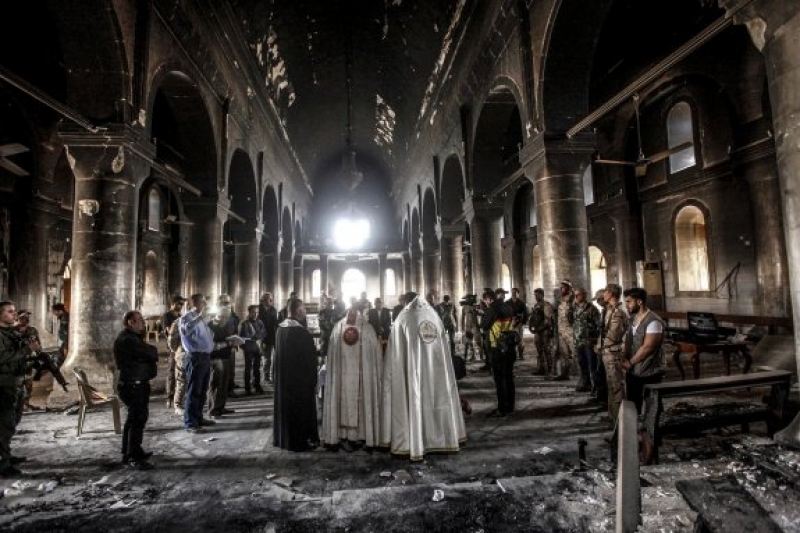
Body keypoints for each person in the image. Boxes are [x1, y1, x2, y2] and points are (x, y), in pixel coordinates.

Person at [380, 293, 466, 461]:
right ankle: (443, 438)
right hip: (436, 372)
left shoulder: (403, 319)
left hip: (413, 374)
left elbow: (395, 356)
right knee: (438, 398)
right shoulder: (434, 317)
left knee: (414, 399)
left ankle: (414, 441)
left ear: (406, 301)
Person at [322, 307, 383, 451]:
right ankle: (363, 434)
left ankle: (344, 435)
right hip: (361, 377)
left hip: (346, 376)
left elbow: (330, 356)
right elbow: (377, 358)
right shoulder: (367, 329)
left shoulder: (338, 328)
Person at [113, 310, 159, 470]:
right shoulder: (127, 340)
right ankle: (132, 456)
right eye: (139, 320)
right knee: (136, 420)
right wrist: (151, 354)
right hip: (133, 385)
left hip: (137, 383)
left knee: (136, 419)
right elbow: (149, 352)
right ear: (130, 322)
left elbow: (148, 351)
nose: (143, 323)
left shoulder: (133, 337)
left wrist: (149, 353)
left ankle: (132, 451)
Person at [273, 298, 319, 452]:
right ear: (299, 311)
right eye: (304, 309)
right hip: (299, 382)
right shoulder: (301, 333)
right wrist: (313, 379)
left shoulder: (280, 330)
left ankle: (282, 439)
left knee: (286, 409)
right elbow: (310, 360)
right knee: (299, 410)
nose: (305, 312)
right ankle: (299, 441)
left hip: (284, 380)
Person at [0, 301, 39, 477]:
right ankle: (3, 464)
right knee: (4, 424)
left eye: (14, 311)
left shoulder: (11, 333)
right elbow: (4, 358)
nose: (14, 315)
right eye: (10, 312)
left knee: (12, 422)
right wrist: (26, 350)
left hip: (15, 384)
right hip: (3, 385)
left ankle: (6, 454)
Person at [621, 287, 665, 412]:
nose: (626, 305)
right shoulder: (633, 319)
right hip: (634, 369)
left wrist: (630, 363)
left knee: (653, 404)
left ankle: (653, 430)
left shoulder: (653, 321)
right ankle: (634, 429)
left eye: (629, 301)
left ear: (639, 302)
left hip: (650, 370)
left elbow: (648, 348)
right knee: (633, 402)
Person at [179, 294, 218, 433]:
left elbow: (205, 335)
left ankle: (198, 417)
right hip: (195, 358)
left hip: (205, 357)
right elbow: (186, 330)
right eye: (203, 301)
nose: (205, 304)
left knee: (202, 391)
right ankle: (190, 423)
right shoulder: (186, 318)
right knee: (194, 391)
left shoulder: (203, 319)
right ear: (194, 303)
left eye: (205, 301)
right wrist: (200, 317)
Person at [481, 289, 516, 417]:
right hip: (509, 346)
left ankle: (502, 409)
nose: (484, 303)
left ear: (489, 299)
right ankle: (510, 406)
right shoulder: (507, 307)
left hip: (497, 348)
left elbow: (484, 326)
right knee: (509, 378)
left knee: (500, 380)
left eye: (485, 300)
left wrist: (485, 311)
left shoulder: (492, 309)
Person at [598, 284, 628, 423]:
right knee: (611, 386)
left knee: (617, 387)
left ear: (610, 294)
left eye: (605, 292)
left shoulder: (618, 312)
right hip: (607, 352)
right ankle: (613, 416)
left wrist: (601, 346)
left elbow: (614, 335)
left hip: (613, 354)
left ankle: (621, 421)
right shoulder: (610, 310)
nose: (603, 294)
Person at [572, 287, 601, 393]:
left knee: (592, 365)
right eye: (575, 295)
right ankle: (585, 383)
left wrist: (594, 339)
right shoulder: (574, 308)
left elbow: (599, 325)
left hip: (589, 342)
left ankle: (595, 388)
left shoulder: (592, 309)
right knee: (582, 364)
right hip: (578, 341)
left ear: (584, 295)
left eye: (578, 295)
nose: (576, 297)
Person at [162, 295, 185, 408]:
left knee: (180, 373)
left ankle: (178, 396)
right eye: (179, 303)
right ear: (173, 303)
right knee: (171, 372)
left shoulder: (180, 316)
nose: (181, 306)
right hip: (172, 348)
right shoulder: (167, 316)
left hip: (181, 348)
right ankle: (169, 397)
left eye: (182, 304)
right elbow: (170, 331)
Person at [239, 305, 267, 395]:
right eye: (253, 312)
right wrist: (257, 336)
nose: (255, 314)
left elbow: (264, 333)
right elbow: (245, 336)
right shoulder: (245, 323)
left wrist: (255, 336)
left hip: (257, 348)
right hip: (248, 348)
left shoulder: (260, 322)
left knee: (257, 368)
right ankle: (247, 388)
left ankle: (257, 385)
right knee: (248, 368)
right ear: (249, 313)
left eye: (257, 312)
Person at [528, 288, 556, 376]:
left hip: (544, 332)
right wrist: (531, 327)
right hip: (538, 332)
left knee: (547, 350)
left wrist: (539, 329)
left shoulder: (546, 305)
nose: (535, 297)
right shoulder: (536, 305)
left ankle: (551, 370)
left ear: (542, 295)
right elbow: (532, 317)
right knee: (539, 351)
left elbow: (548, 320)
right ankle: (541, 368)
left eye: (537, 295)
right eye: (535, 295)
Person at [556, 280, 576, 381]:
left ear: (568, 288)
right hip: (561, 330)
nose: (561, 289)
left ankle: (582, 377)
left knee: (576, 353)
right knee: (564, 354)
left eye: (563, 287)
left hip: (571, 331)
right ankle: (564, 373)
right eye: (560, 287)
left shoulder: (573, 300)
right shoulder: (560, 300)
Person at [258, 292, 279, 383]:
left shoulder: (273, 309)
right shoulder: (259, 310)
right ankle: (265, 377)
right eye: (267, 299)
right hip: (264, 337)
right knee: (266, 358)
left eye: (271, 299)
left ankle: (273, 376)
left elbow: (275, 322)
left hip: (273, 336)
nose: (270, 301)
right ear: (262, 300)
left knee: (274, 358)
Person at [508, 288, 528, 361]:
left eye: (515, 293)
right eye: (512, 292)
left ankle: (521, 355)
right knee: (511, 340)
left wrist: (522, 323)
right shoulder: (507, 302)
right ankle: (513, 355)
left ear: (518, 294)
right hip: (510, 324)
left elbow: (526, 314)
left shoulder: (522, 303)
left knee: (520, 340)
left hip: (519, 324)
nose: (514, 294)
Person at [51, 303, 69, 367]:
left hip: (65, 343)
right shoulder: (64, 317)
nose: (53, 313)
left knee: (61, 360)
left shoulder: (64, 318)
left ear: (60, 311)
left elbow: (66, 334)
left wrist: (65, 347)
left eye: (54, 311)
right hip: (64, 343)